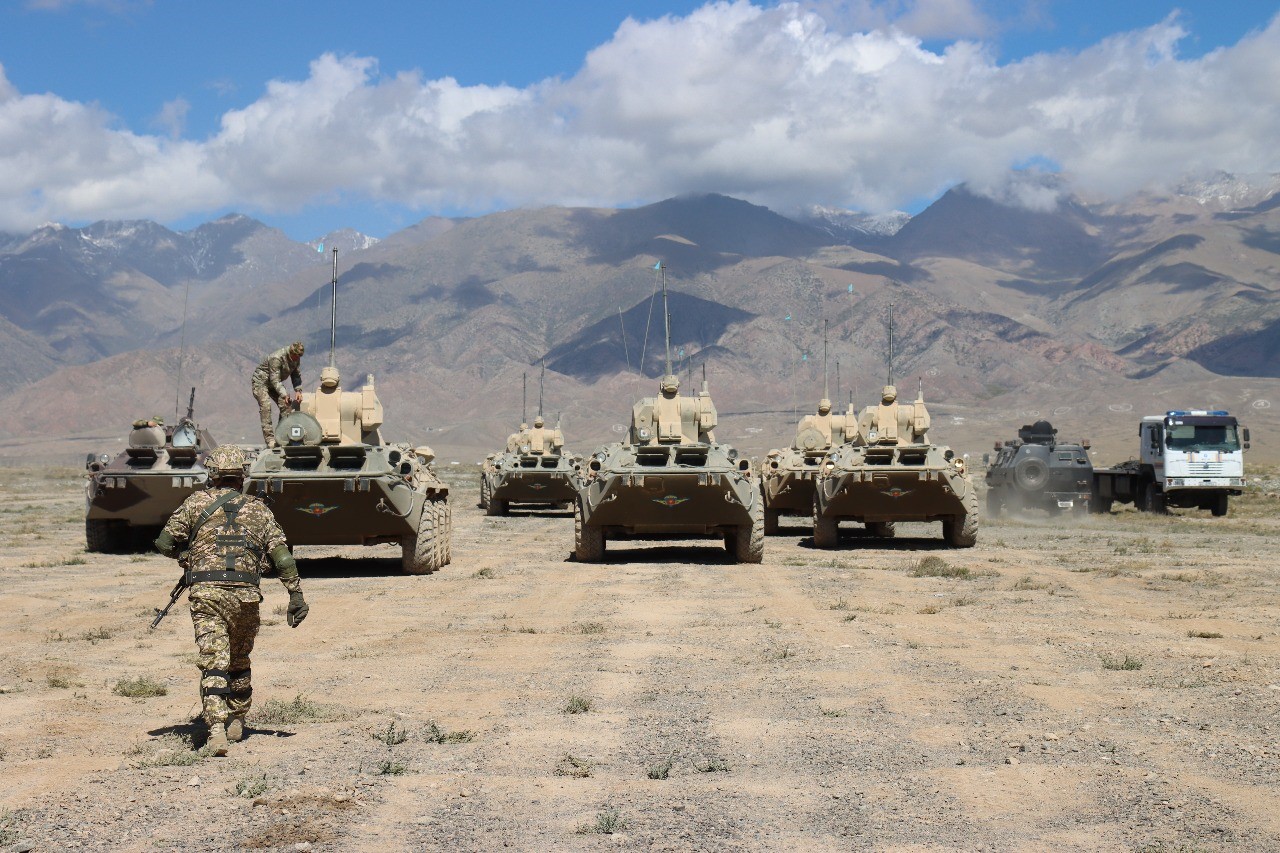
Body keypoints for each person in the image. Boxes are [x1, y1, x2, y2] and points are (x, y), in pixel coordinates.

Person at [154, 445, 309, 755]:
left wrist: (185, 556)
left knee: (214, 660)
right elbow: (281, 556)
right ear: (242, 476)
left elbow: (164, 543)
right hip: (246, 597)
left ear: (212, 474)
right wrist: (295, 594)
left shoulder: (195, 503)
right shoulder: (260, 510)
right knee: (239, 660)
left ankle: (215, 730)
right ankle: (237, 719)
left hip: (207, 595)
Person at [251, 342, 305, 447]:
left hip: (274, 385)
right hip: (261, 383)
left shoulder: (296, 358)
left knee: (286, 405)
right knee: (266, 407)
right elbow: (275, 380)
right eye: (296, 356)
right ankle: (270, 440)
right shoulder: (276, 358)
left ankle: (282, 435)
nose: (297, 359)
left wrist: (298, 390)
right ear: (291, 352)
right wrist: (284, 395)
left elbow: (296, 374)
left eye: (299, 357)